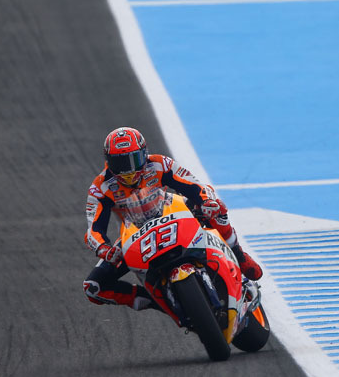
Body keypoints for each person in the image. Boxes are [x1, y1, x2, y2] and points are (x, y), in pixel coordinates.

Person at [82, 126, 262, 311]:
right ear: (108, 162)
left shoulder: (160, 164)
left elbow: (195, 185)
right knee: (93, 287)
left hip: (174, 211)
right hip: (135, 234)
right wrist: (105, 249)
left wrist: (207, 201)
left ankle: (239, 256)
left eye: (133, 159)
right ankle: (157, 302)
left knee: (216, 207)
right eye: (119, 163)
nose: (128, 170)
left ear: (144, 153)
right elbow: (94, 230)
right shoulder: (101, 188)